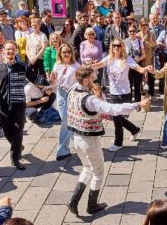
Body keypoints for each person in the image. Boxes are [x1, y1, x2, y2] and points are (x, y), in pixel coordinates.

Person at [65, 66, 151, 216]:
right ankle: (91, 205)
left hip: (76, 138)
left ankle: (74, 200)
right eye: (92, 78)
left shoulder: (72, 90)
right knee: (98, 172)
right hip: (89, 140)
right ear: (85, 80)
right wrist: (137, 105)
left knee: (87, 167)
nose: (94, 80)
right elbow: (112, 109)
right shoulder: (90, 100)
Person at [0, 41, 38, 170]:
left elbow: (35, 78)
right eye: (8, 49)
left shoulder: (22, 66)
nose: (10, 52)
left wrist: (48, 81)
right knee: (6, 130)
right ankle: (17, 146)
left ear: (16, 52)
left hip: (19, 105)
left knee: (18, 131)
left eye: (13, 49)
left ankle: (15, 157)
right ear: (3, 52)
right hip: (3, 106)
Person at [91, 39, 149, 152]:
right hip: (112, 93)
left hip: (124, 92)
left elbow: (139, 68)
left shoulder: (127, 59)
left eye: (118, 46)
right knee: (117, 117)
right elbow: (98, 65)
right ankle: (134, 129)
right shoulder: (109, 59)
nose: (116, 48)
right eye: (114, 46)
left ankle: (118, 143)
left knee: (117, 119)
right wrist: (86, 67)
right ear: (111, 47)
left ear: (122, 47)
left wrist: (146, 69)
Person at [49, 44, 80, 162]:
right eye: (64, 52)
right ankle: (76, 141)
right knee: (66, 121)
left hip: (72, 95)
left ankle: (63, 150)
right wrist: (51, 79)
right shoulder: (57, 65)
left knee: (66, 122)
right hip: (61, 95)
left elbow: (80, 82)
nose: (66, 54)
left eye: (68, 52)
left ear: (71, 53)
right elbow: (53, 82)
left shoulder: (76, 66)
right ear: (60, 54)